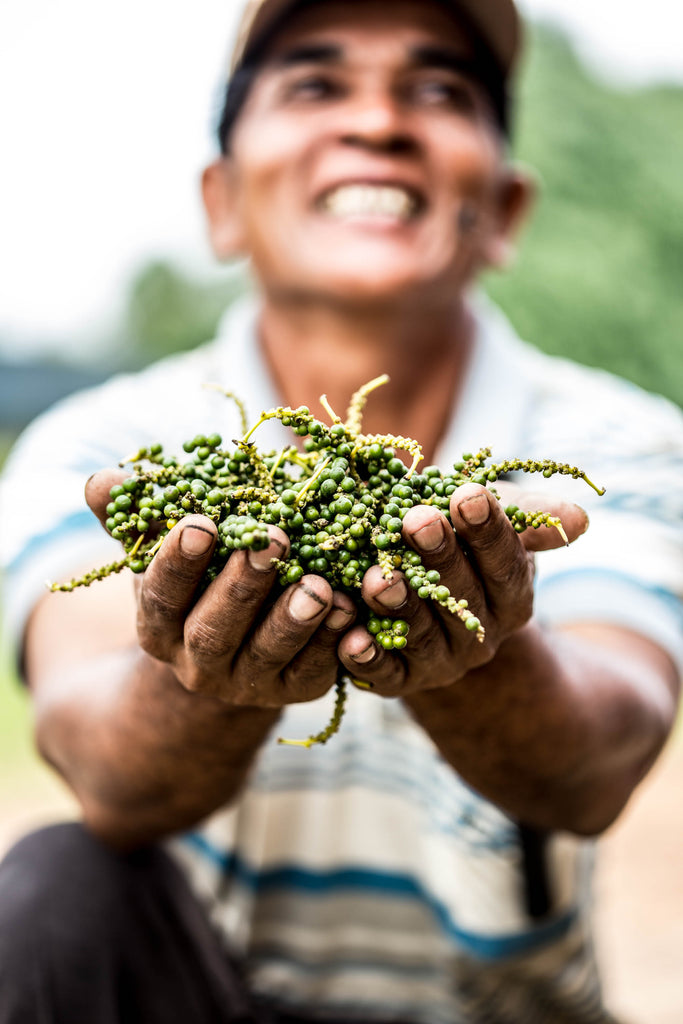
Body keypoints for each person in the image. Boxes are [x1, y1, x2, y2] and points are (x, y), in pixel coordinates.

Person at [0, 0, 681, 1021]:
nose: (375, 121)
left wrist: (478, 648)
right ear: (222, 201)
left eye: (437, 90)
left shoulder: (612, 451)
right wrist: (202, 680)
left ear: (503, 209)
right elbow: (102, 765)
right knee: (56, 888)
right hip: (196, 992)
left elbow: (599, 759)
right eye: (315, 84)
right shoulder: (112, 453)